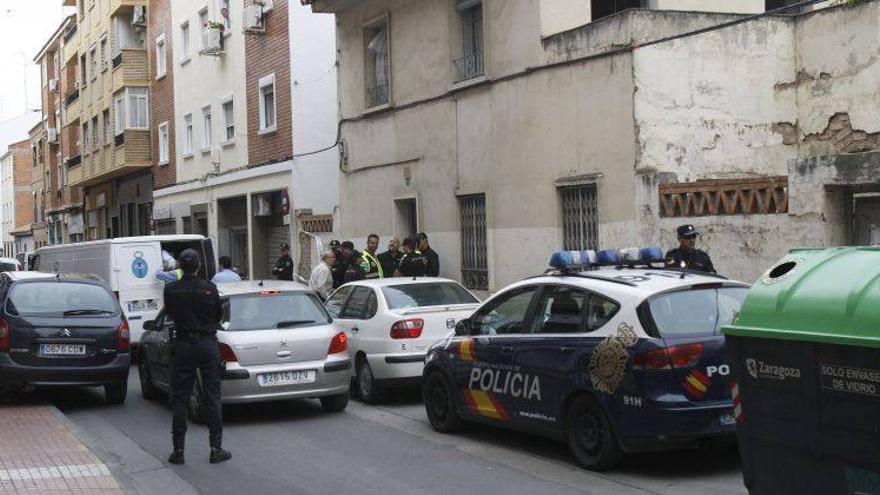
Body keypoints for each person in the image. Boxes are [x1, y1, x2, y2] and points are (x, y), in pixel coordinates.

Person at [163, 249, 231, 465]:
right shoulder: (209, 289)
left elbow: (171, 314)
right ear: (199, 266)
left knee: (180, 398)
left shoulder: (171, 290)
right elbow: (218, 315)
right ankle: (215, 448)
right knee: (212, 397)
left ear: (180, 267)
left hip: (184, 345)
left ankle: (179, 451)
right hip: (207, 344)